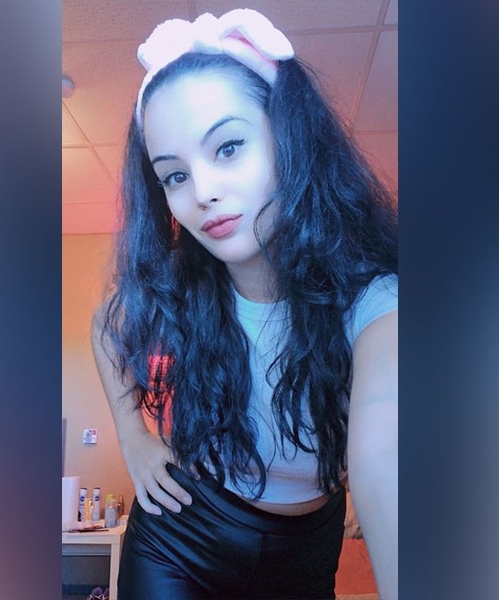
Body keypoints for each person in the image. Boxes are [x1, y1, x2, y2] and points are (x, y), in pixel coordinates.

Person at [92, 8, 397, 600]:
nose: (202, 191)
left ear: (290, 138)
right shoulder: (177, 285)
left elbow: (390, 447)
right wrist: (134, 439)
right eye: (174, 176)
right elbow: (106, 321)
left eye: (228, 147)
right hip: (182, 535)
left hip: (307, 550)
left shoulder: (372, 297)